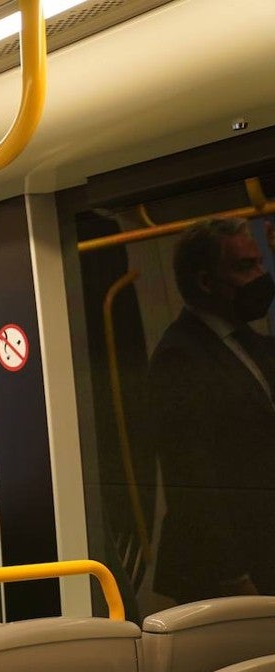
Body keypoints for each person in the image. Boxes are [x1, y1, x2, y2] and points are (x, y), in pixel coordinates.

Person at [146, 217, 275, 603]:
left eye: (260, 262)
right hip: (223, 570)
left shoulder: (254, 344)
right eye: (244, 267)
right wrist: (233, 577)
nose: (260, 275)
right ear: (205, 282)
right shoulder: (179, 357)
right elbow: (192, 477)